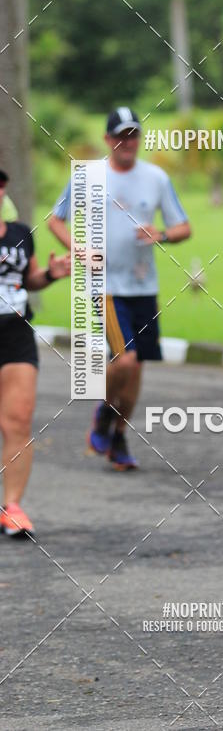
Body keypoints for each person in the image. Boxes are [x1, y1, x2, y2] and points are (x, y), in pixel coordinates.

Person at [49, 107, 191, 470]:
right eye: (120, 136)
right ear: (107, 140)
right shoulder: (87, 176)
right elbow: (55, 220)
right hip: (105, 285)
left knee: (135, 371)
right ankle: (101, 414)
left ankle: (117, 436)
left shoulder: (156, 177)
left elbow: (182, 228)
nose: (127, 142)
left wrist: (159, 233)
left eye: (133, 135)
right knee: (123, 359)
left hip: (144, 286)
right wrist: (77, 248)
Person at [0, 169, 70, 537]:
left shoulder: (20, 234)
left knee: (17, 422)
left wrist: (53, 273)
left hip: (15, 336)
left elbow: (29, 279)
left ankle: (12, 507)